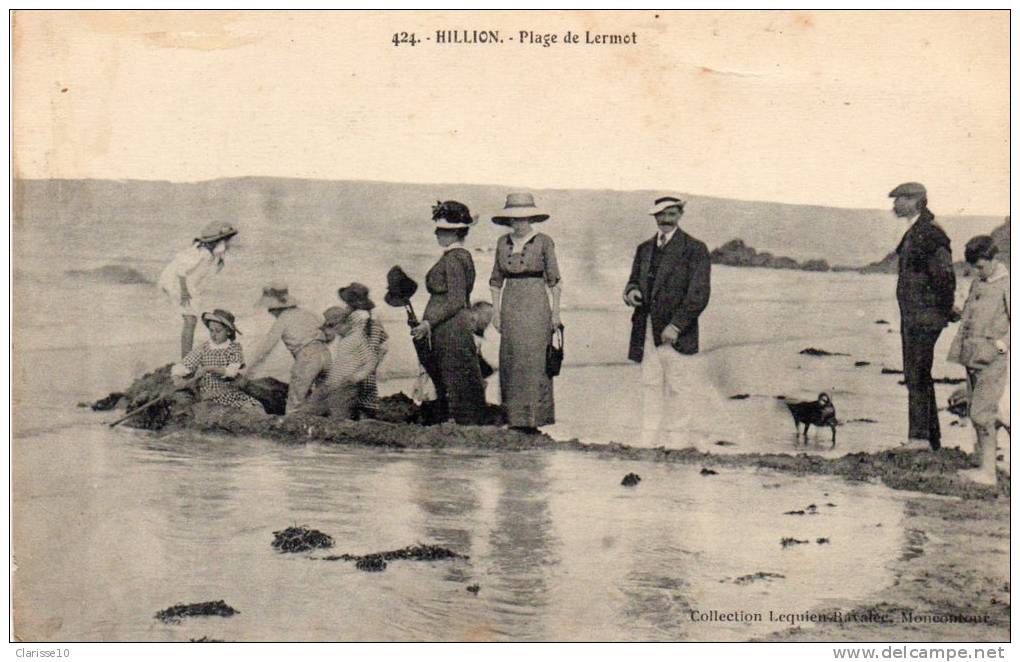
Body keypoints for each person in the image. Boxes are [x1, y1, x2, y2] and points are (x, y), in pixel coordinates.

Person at [623, 196, 711, 448]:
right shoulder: (644, 248)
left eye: (671, 214)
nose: (665, 219)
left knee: (679, 386)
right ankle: (648, 439)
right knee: (650, 384)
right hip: (646, 328)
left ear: (680, 215)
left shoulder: (695, 248)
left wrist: (676, 325)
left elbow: (699, 294)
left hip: (676, 332)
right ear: (654, 217)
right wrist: (631, 293)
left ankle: (677, 441)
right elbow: (632, 282)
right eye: (660, 215)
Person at [890, 182, 956, 451]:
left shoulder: (929, 233)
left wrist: (942, 309)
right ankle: (930, 438)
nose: (894, 206)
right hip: (918, 315)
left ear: (916, 200)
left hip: (923, 316)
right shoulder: (920, 230)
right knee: (919, 373)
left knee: (916, 373)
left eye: (899, 200)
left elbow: (944, 276)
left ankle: (919, 438)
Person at [489, 193, 562, 433]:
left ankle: (533, 421)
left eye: (522, 218)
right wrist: (496, 313)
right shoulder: (502, 243)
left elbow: (555, 281)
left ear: (531, 217)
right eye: (513, 218)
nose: (518, 223)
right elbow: (495, 281)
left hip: (536, 306)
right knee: (511, 359)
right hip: (510, 305)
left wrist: (555, 314)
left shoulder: (544, 242)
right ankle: (514, 419)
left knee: (534, 361)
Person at [410, 200, 487, 424]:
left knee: (453, 373)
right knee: (454, 372)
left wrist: (428, 323)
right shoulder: (457, 257)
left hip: (450, 326)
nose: (436, 233)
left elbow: (455, 300)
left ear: (455, 232)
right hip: (449, 325)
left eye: (442, 230)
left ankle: (459, 423)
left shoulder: (454, 258)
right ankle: (461, 420)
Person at [948, 235, 1009, 486]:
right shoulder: (978, 283)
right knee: (979, 412)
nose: (977, 271)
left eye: (981, 266)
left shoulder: (1008, 284)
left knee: (985, 414)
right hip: (973, 356)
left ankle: (988, 473)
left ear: (994, 259)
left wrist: (1002, 344)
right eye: (973, 267)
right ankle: (987, 466)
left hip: (994, 359)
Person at [243, 283, 331, 413]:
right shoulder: (308, 313)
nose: (269, 312)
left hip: (307, 356)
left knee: (295, 403)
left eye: (270, 308)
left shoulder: (283, 319)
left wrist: (247, 371)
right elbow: (328, 334)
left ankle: (292, 428)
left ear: (276, 308)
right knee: (321, 399)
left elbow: (266, 347)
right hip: (325, 353)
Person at [158, 221, 238, 358]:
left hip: (189, 285)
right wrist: (184, 291)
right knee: (190, 321)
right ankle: (186, 359)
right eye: (225, 240)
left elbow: (203, 275)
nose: (228, 243)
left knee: (191, 320)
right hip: (176, 282)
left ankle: (186, 358)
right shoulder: (200, 253)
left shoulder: (214, 254)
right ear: (216, 241)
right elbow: (180, 270)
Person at [170, 309, 265, 412]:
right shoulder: (204, 348)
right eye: (211, 330)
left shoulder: (234, 348)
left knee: (256, 408)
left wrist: (209, 368)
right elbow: (184, 366)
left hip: (230, 392)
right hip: (210, 394)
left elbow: (231, 372)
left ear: (228, 331)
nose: (214, 334)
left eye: (218, 331)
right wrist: (177, 378)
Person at [298, 306, 375, 418]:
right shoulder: (343, 338)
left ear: (345, 323)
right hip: (330, 384)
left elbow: (371, 361)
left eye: (333, 326)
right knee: (308, 411)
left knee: (339, 416)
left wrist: (357, 377)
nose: (333, 330)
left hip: (346, 386)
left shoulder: (357, 337)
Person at [336, 283, 389, 419]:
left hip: (352, 371)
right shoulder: (374, 321)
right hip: (368, 372)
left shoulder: (353, 321)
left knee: (347, 411)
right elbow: (384, 346)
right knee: (367, 408)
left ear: (351, 304)